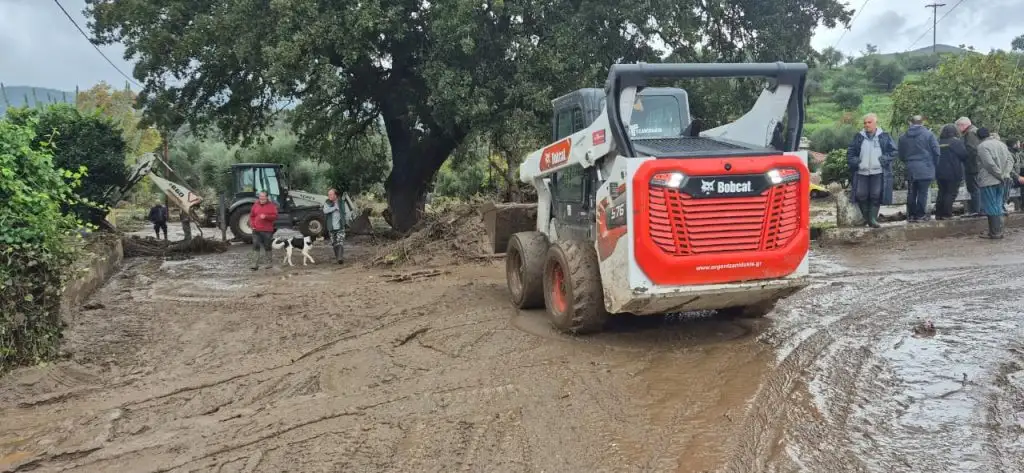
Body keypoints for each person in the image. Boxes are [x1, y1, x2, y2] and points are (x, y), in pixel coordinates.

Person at [846, 113, 897, 228]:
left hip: (878, 171)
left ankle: (872, 219)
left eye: (869, 122)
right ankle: (868, 219)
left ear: (875, 123)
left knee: (875, 195)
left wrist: (884, 159)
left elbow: (894, 151)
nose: (866, 125)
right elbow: (850, 152)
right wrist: (855, 161)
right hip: (861, 172)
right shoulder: (858, 137)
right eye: (865, 123)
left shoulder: (884, 136)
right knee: (861, 195)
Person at [898, 115, 940, 222]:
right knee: (923, 192)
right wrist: (934, 164)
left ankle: (911, 215)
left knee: (911, 192)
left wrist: (908, 162)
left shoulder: (903, 137)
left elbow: (901, 154)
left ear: (910, 123)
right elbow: (936, 152)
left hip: (911, 167)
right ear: (922, 123)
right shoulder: (929, 135)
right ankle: (920, 215)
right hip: (926, 167)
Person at [976, 128, 1014, 239]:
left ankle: (995, 232)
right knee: (998, 204)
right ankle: (999, 231)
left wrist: (999, 175)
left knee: (991, 206)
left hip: (989, 180)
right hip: (1002, 180)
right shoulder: (1001, 144)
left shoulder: (982, 146)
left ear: (978, 137)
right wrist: (1005, 174)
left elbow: (989, 164)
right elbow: (1010, 160)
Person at [935, 124, 968, 220]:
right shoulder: (956, 142)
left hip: (939, 171)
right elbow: (964, 155)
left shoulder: (938, 142)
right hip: (953, 171)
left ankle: (938, 213)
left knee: (941, 192)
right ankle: (947, 214)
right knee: (951, 192)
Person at [956, 117, 983, 216]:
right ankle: (978, 209)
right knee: (977, 188)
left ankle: (976, 210)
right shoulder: (975, 131)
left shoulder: (970, 134)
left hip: (973, 166)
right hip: (977, 165)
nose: (957, 129)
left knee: (974, 188)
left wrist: (962, 156)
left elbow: (971, 150)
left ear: (963, 125)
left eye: (958, 126)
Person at [249, 191, 279, 270]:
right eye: (260, 196)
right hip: (256, 230)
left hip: (267, 230)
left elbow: (275, 216)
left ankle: (269, 263)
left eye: (263, 196)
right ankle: (254, 264)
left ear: (266, 197)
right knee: (255, 245)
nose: (261, 198)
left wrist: (266, 216)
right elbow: (252, 216)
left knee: (267, 245)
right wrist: (252, 225)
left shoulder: (271, 206)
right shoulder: (255, 205)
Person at [322, 188, 347, 264]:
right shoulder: (327, 202)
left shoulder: (341, 202)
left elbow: (345, 212)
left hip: (340, 226)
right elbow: (325, 211)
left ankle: (340, 258)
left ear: (335, 195)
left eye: (331, 194)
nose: (329, 196)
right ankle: (337, 257)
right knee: (334, 243)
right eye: (328, 194)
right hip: (331, 226)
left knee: (340, 241)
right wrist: (334, 208)